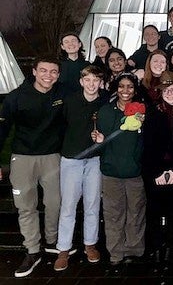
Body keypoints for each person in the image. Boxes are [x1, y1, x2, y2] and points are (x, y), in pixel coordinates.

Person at [0, 56, 66, 278]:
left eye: (54, 72)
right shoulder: (16, 98)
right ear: (35, 71)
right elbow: (3, 129)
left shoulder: (61, 94)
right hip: (23, 157)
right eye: (44, 71)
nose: (49, 75)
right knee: (26, 206)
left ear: (58, 74)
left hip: (52, 157)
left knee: (54, 202)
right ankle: (33, 250)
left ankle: (51, 241)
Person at [53, 65, 107, 271]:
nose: (92, 84)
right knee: (68, 205)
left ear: (101, 83)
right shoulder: (70, 101)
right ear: (81, 82)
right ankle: (64, 248)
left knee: (92, 203)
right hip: (72, 158)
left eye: (96, 80)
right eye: (88, 80)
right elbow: (59, 126)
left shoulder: (104, 101)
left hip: (94, 159)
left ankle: (90, 244)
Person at [92, 73, 146, 265]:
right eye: (121, 86)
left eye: (130, 87)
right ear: (116, 88)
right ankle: (116, 251)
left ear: (135, 89)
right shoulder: (106, 112)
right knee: (113, 214)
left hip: (134, 172)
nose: (125, 90)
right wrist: (98, 140)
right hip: (111, 172)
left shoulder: (141, 111)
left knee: (136, 212)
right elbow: (101, 142)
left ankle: (135, 248)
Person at [142, 71, 173, 262]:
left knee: (172, 209)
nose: (170, 93)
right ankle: (155, 245)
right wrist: (158, 172)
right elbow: (149, 145)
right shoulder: (153, 112)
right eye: (166, 90)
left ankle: (170, 243)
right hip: (156, 170)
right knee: (154, 209)